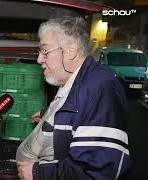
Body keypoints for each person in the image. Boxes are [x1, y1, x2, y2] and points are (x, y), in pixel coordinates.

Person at [16, 17, 130, 180]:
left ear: (70, 50)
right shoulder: (76, 81)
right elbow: (80, 115)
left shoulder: (101, 88)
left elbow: (96, 171)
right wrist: (49, 116)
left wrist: (38, 173)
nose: (39, 59)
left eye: (45, 51)